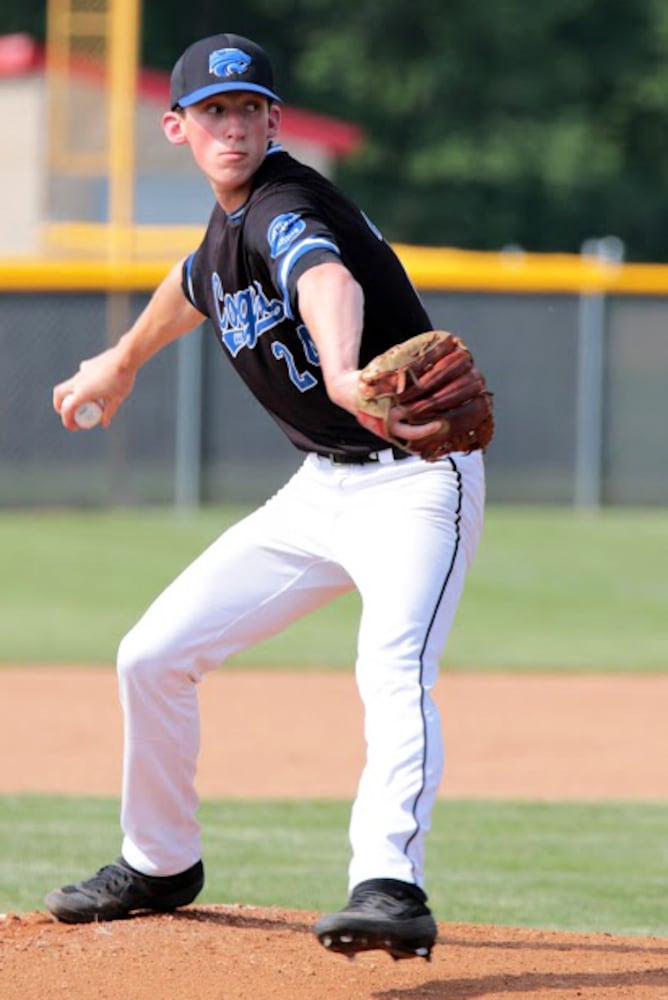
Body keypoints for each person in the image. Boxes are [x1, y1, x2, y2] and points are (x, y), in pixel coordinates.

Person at [45, 32, 486, 961]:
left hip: (415, 484)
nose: (232, 127)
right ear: (178, 128)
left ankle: (390, 885)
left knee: (393, 664)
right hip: (320, 491)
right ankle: (159, 861)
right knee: (151, 655)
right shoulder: (225, 228)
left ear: (274, 121)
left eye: (248, 109)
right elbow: (192, 282)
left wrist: (337, 369)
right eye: (213, 113)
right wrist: (120, 362)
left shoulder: (285, 203)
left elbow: (320, 272)